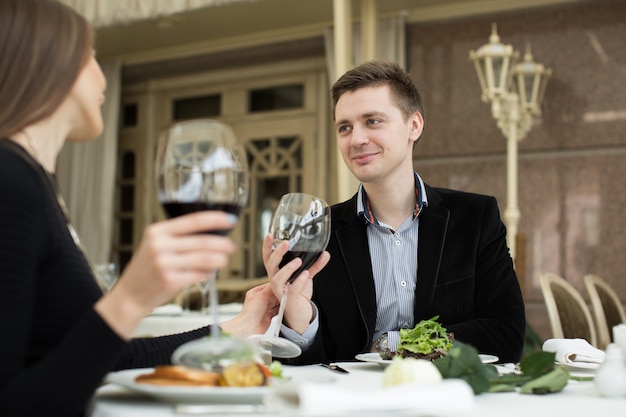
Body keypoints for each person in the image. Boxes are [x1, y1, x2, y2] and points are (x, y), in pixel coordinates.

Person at [0, 1, 278, 416]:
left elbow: (106, 359)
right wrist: (130, 297)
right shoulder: (10, 180)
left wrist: (237, 328)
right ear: (53, 59)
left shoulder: (36, 183)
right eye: (92, 55)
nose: (101, 72)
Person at [263, 60, 526, 365]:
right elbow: (307, 369)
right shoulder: (320, 232)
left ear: (413, 126)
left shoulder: (475, 217)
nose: (357, 139)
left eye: (372, 121)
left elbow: (506, 334)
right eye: (345, 127)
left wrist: (394, 344)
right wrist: (297, 317)